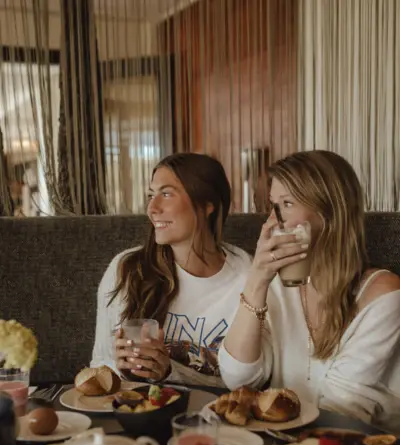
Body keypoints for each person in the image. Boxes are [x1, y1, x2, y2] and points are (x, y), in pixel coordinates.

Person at [219, 150, 400, 427]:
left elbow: (342, 413)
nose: (272, 223)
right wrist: (256, 280)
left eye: (287, 204)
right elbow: (238, 378)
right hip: (286, 443)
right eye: (273, 206)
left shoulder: (382, 294)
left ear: (329, 213)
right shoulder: (277, 286)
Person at [91, 152, 251, 387]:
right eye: (150, 195)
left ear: (208, 205)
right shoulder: (126, 269)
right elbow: (100, 364)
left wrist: (170, 371)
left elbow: (248, 384)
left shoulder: (248, 276)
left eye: (166, 194)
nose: (152, 208)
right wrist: (125, 367)